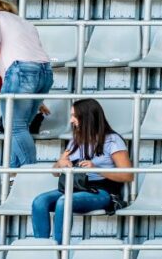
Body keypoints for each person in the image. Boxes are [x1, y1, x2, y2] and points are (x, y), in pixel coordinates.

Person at [31, 99, 133, 244]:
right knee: (39, 202)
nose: (71, 120)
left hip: (101, 191)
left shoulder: (113, 140)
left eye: (74, 116)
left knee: (64, 201)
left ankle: (58, 251)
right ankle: (42, 249)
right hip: (74, 187)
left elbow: (128, 175)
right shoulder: (76, 140)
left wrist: (97, 170)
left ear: (88, 117)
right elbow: (55, 172)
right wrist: (60, 164)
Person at [0, 0, 52, 168]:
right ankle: (15, 175)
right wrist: (38, 99)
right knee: (20, 128)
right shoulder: (25, 22)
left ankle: (30, 175)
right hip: (45, 72)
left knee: (14, 128)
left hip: (21, 72)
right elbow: (31, 58)